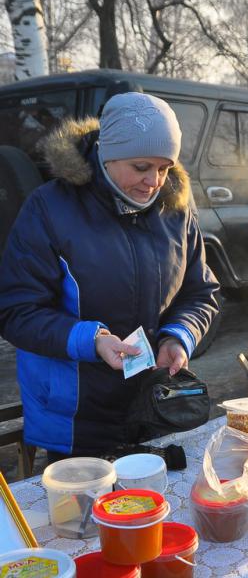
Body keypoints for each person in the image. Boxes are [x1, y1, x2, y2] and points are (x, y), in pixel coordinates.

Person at [0, 92, 219, 460]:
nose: (154, 181)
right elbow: (15, 310)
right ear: (106, 152)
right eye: (141, 167)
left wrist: (178, 337)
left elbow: (201, 293)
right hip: (76, 417)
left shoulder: (175, 212)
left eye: (165, 167)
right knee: (83, 516)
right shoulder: (50, 207)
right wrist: (92, 339)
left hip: (154, 407)